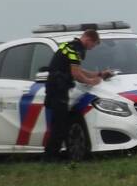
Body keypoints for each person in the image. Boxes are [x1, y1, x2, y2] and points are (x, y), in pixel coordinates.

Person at [43, 29, 109, 161]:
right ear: (88, 40)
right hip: (58, 89)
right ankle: (51, 157)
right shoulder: (76, 50)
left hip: (54, 88)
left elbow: (78, 69)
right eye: (93, 45)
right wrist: (92, 82)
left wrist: (98, 74)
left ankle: (52, 155)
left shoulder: (70, 46)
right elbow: (76, 74)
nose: (91, 48)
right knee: (59, 124)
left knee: (59, 122)